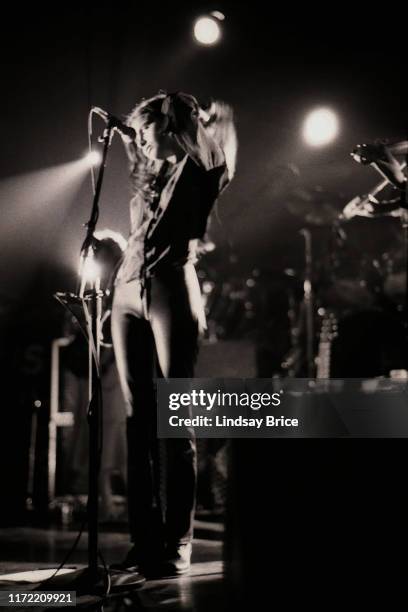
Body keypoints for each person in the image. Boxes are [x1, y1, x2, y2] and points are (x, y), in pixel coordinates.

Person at [110, 92, 237, 576]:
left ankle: (175, 542)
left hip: (170, 290)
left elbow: (206, 152)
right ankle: (143, 540)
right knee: (136, 417)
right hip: (126, 290)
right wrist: (131, 134)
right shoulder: (150, 176)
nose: (140, 140)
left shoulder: (201, 171)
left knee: (172, 417)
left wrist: (181, 115)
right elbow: (140, 149)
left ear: (170, 127)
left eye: (148, 131)